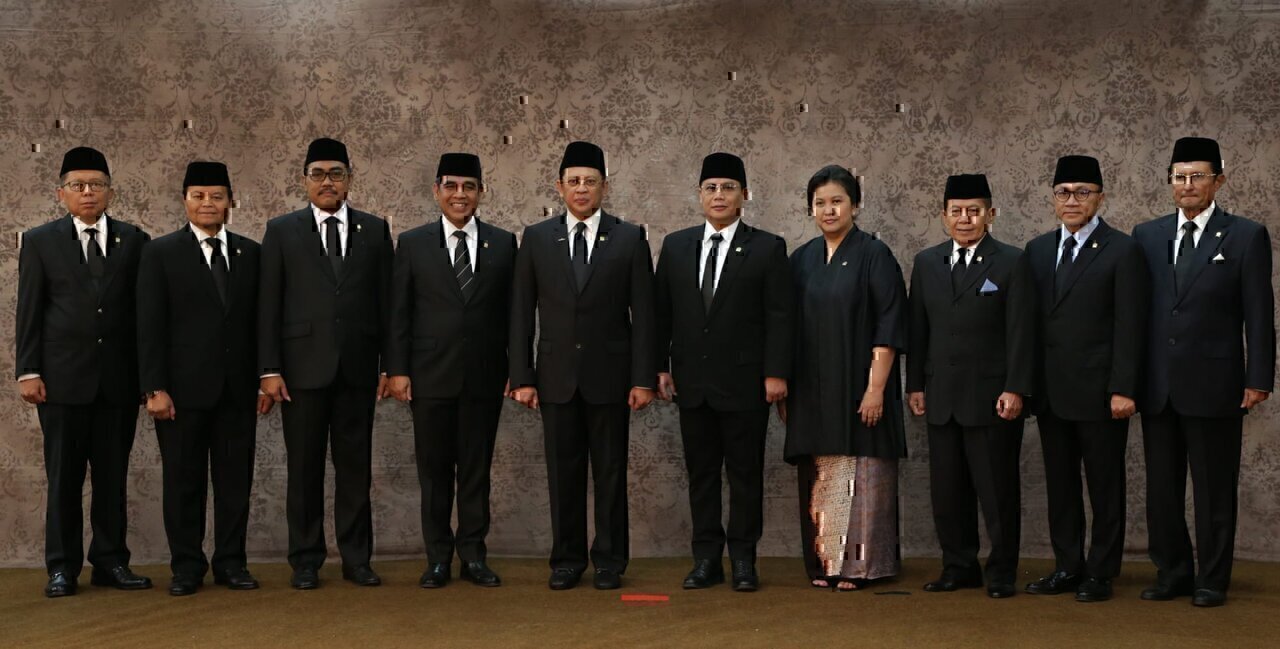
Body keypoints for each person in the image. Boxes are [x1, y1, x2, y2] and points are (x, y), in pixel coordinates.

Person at [1131, 137, 1274, 607]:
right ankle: (1172, 572)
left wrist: (1258, 378)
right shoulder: (1147, 235)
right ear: (1170, 181)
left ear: (1219, 181)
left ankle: (1212, 579)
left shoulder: (1245, 235)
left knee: (1213, 489)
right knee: (1162, 490)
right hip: (1158, 385)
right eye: (1179, 177)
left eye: (1197, 176)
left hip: (1216, 384)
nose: (1187, 185)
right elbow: (1136, 314)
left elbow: (1259, 313)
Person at [509, 141, 657, 591]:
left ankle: (610, 561)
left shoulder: (629, 238)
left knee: (610, 473)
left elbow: (644, 315)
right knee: (563, 474)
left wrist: (643, 378)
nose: (581, 188)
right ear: (559, 187)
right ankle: (567, 560)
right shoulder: (537, 238)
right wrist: (522, 377)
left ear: (604, 187)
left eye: (590, 181)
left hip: (611, 379)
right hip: (555, 379)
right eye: (573, 181)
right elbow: (521, 313)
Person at [15, 146, 153, 597]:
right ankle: (62, 568)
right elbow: (30, 310)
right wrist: (28, 370)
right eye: (78, 185)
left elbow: (144, 317)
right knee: (64, 480)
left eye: (96, 185)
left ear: (110, 192)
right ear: (62, 193)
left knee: (112, 479)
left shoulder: (135, 240)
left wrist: (148, 379)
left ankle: (111, 562)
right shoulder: (40, 241)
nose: (88, 192)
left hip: (117, 382)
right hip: (61, 382)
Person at [258, 138, 393, 589]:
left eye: (336, 173)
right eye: (318, 174)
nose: (327, 182)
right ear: (305, 181)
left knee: (355, 469)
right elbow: (268, 304)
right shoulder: (282, 231)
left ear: (349, 179)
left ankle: (357, 559)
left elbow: (388, 305)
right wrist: (269, 369)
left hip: (357, 369)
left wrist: (389, 366)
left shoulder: (375, 230)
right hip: (300, 372)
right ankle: (306, 560)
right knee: (304, 470)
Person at [654, 152, 793, 592]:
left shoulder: (768, 248)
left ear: (744, 195)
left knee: (745, 476)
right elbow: (661, 314)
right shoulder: (676, 246)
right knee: (701, 476)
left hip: (746, 384)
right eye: (711, 188)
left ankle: (744, 560)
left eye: (728, 188)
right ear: (699, 195)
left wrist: (776, 372)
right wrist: (659, 367)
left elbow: (780, 316)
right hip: (691, 384)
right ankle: (706, 560)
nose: (719, 195)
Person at [136, 161, 269, 596]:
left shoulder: (251, 253)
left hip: (237, 391)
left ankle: (231, 563)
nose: (207, 203)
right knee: (183, 483)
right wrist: (154, 388)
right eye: (198, 196)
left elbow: (262, 322)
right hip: (179, 394)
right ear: (185, 201)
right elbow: (149, 325)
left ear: (231, 202)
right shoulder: (160, 253)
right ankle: (186, 567)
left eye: (216, 196)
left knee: (235, 484)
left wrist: (265, 378)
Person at [386, 153, 518, 589]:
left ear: (481, 192)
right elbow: (399, 312)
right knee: (435, 473)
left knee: (476, 473)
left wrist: (517, 369)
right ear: (436, 190)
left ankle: (474, 556)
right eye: (451, 186)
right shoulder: (413, 243)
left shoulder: (503, 243)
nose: (460, 194)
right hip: (429, 377)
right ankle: (438, 559)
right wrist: (397, 369)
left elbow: (515, 314)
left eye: (469, 187)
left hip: (484, 375)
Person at [1023, 155, 1148, 602]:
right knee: (1061, 487)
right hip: (1052, 392)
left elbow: (1130, 325)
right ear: (1053, 198)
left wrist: (1124, 388)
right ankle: (1067, 566)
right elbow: (1029, 325)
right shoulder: (1038, 250)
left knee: (1104, 486)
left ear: (1100, 197)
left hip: (1101, 393)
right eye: (1063, 192)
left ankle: (1101, 571)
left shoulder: (1122, 249)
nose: (1072, 200)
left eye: (1082, 192)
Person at [907, 174, 1035, 599]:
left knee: (997, 491)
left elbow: (1021, 332)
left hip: (992, 398)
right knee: (948, 492)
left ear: (990, 214)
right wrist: (915, 385)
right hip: (941, 394)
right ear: (944, 216)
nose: (965, 219)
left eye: (974, 211)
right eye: (957, 211)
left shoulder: (1011, 261)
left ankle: (1001, 571)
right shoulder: (927, 262)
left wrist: (1016, 388)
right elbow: (918, 330)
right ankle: (959, 566)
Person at [783, 164, 907, 591]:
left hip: (861, 384)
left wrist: (876, 389)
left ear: (855, 205)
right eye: (820, 203)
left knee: (863, 473)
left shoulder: (875, 255)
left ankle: (860, 566)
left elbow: (889, 324)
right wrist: (786, 388)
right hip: (812, 389)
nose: (829, 210)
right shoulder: (801, 260)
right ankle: (825, 563)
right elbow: (786, 328)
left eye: (837, 201)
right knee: (822, 474)